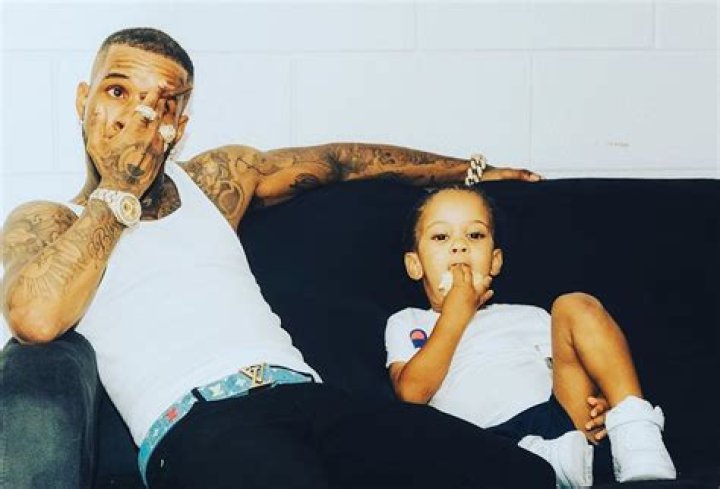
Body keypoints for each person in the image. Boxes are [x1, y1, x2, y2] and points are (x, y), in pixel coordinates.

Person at [0, 27, 553, 489]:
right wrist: (119, 190)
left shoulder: (213, 183)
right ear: (84, 100)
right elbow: (35, 318)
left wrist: (472, 171)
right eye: (119, 91)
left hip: (309, 399)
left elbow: (341, 162)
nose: (139, 117)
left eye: (162, 103)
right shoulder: (50, 222)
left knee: (523, 475)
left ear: (180, 129)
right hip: (198, 424)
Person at [384, 186, 677, 488]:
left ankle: (635, 430)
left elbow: (572, 369)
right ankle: (548, 461)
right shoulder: (408, 322)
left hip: (556, 418)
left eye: (475, 235)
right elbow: (411, 394)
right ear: (415, 265)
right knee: (459, 458)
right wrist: (455, 314)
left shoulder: (528, 316)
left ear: (495, 261)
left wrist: (600, 402)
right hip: (481, 440)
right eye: (441, 237)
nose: (459, 245)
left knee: (574, 304)